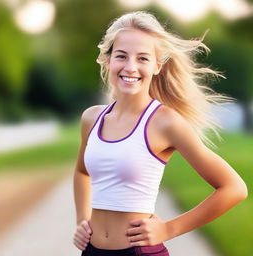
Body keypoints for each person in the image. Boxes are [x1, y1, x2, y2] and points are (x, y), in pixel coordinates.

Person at [73, 11, 248, 256]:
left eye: (143, 58)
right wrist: (83, 219)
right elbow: (82, 171)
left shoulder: (165, 122)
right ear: (108, 60)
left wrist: (168, 229)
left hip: (139, 252)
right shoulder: (92, 118)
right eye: (121, 55)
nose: (130, 67)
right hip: (91, 251)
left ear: (157, 66)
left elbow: (234, 188)